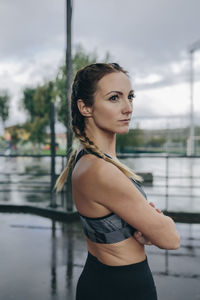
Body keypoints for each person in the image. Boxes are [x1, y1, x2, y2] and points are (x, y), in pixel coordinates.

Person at [55, 63, 180, 300]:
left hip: (103, 278)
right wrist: (156, 224)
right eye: (114, 98)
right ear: (85, 107)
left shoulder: (88, 159)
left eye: (130, 97)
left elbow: (112, 224)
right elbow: (171, 238)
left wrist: (145, 224)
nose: (128, 108)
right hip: (123, 287)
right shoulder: (102, 171)